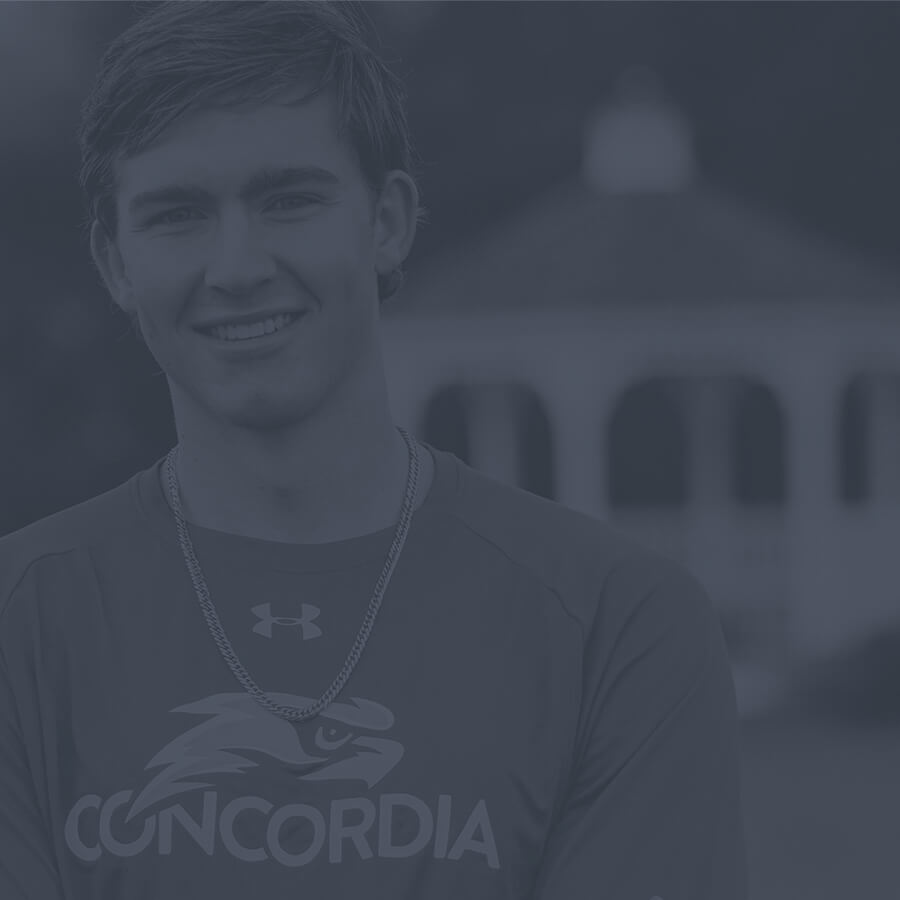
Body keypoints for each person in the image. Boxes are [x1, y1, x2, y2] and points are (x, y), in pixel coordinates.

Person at [0, 2, 747, 897]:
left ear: (388, 220)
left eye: (288, 200)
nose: (236, 265)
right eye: (177, 214)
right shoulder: (22, 628)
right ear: (115, 262)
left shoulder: (619, 628)